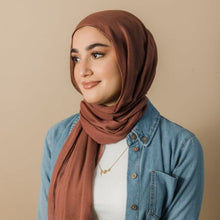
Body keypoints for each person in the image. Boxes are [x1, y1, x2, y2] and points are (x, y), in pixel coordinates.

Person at [37, 10, 204, 220]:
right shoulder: (58, 137)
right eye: (76, 58)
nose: (81, 71)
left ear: (131, 57)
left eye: (96, 54)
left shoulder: (179, 146)